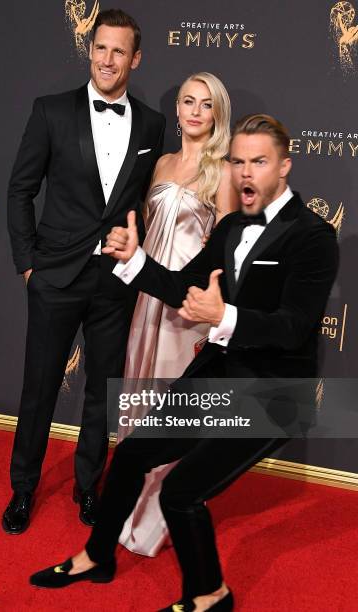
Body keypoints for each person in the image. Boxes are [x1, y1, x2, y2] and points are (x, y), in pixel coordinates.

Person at [29, 114, 339, 612]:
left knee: (179, 492)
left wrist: (226, 315)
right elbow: (184, 287)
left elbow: (294, 327)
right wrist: (134, 261)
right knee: (130, 455)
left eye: (258, 161)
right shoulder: (232, 225)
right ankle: (97, 555)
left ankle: (210, 593)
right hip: (220, 374)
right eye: (237, 161)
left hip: (272, 394)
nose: (244, 173)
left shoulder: (313, 236)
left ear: (284, 166)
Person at [3, 8, 165, 534]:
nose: (108, 59)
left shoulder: (152, 124)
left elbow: (138, 202)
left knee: (102, 392)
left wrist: (131, 238)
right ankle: (23, 490)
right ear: (89, 50)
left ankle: (86, 489)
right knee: (40, 388)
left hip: (113, 282)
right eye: (101, 48)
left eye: (120, 51)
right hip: (54, 275)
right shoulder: (50, 111)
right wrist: (28, 264)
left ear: (135, 59)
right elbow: (20, 190)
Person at [119, 72, 239, 557]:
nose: (193, 111)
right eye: (187, 101)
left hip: (186, 306)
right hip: (148, 297)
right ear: (177, 110)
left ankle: (154, 517)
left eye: (205, 104)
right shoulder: (163, 163)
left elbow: (226, 250)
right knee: (137, 391)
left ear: (217, 115)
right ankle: (126, 502)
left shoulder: (224, 171)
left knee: (170, 404)